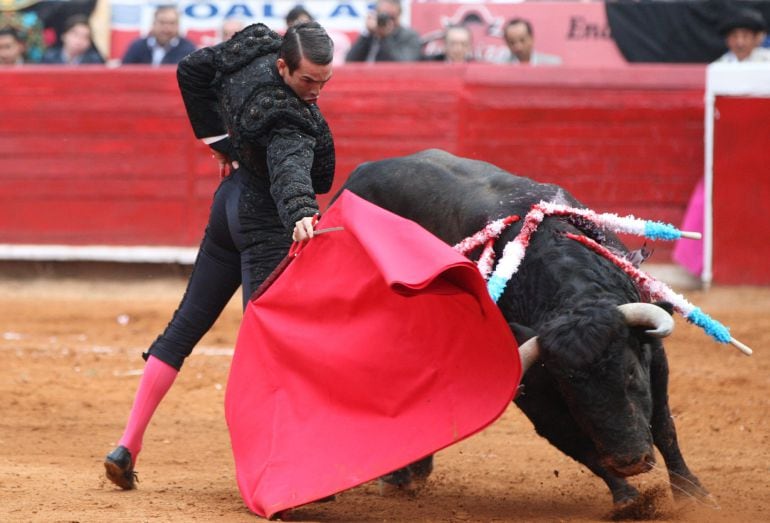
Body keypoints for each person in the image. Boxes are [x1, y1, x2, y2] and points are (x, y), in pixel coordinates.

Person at [103, 21, 335, 490]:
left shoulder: (251, 49)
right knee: (268, 351)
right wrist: (302, 211)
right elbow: (291, 169)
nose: (314, 92)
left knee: (185, 326)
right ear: (283, 64)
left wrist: (217, 142)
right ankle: (270, 476)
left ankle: (127, 444)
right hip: (266, 221)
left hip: (228, 203)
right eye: (307, 80)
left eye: (323, 82)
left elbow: (191, 70)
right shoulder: (289, 114)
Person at [346, 0, 422, 62]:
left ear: (399, 14)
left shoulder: (410, 36)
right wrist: (367, 33)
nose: (387, 21)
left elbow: (404, 64)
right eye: (383, 16)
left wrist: (385, 37)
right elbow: (350, 61)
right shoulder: (371, 35)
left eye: (391, 17)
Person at [121, 5, 196, 65]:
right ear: (153, 24)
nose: (167, 28)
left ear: (178, 26)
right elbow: (124, 71)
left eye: (172, 23)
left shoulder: (188, 49)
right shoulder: (137, 46)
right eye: (162, 23)